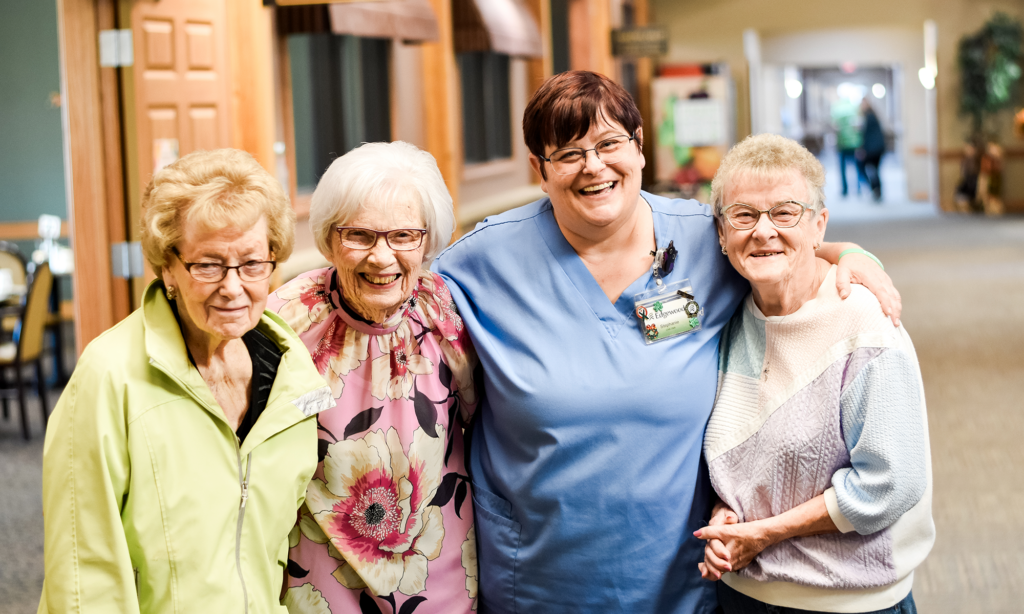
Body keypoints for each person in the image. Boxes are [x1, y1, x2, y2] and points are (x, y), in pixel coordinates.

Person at [431, 71, 902, 614]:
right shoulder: (484, 261)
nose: (594, 166)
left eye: (610, 143)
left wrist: (850, 254)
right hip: (540, 579)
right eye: (568, 153)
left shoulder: (705, 238)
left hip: (680, 574)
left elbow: (781, 244)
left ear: (639, 149)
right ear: (539, 169)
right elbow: (395, 304)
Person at [38, 149, 334, 613]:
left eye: (253, 263)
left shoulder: (291, 374)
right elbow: (83, 571)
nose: (233, 287)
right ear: (167, 268)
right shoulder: (110, 374)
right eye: (208, 265)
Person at [695, 134, 933, 613]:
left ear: (819, 224)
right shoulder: (728, 319)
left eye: (785, 212)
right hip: (741, 594)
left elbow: (889, 484)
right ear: (721, 234)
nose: (763, 231)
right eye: (743, 215)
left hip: (848, 601)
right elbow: (739, 457)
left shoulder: (862, 322)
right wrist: (728, 516)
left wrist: (763, 533)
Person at [268, 141, 480, 614]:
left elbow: (483, 421)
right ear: (329, 237)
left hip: (437, 578)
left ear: (427, 241)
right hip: (321, 584)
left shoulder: (446, 311)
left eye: (404, 236)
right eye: (359, 235)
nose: (382, 258)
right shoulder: (286, 321)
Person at [829, 98, 862, 197]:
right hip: (854, 144)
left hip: (842, 144)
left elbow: (834, 128)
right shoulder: (854, 110)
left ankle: (845, 189)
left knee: (842, 169)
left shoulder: (837, 111)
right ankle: (858, 188)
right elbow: (858, 127)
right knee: (856, 167)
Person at [858, 99, 886, 201]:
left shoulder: (868, 117)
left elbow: (866, 135)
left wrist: (862, 149)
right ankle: (877, 190)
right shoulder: (873, 116)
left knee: (865, 168)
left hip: (872, 149)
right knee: (875, 170)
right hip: (878, 148)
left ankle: (875, 189)